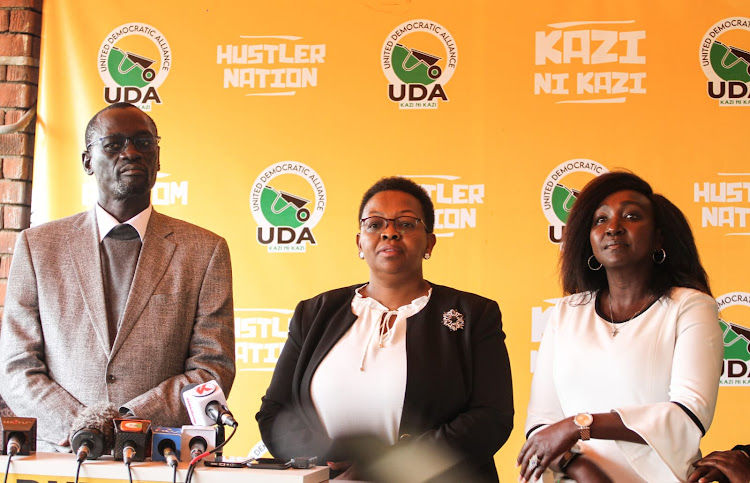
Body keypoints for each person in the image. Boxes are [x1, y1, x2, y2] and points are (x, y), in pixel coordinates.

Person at [0, 103, 235, 451]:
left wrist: (129, 422)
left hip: (159, 457)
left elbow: (211, 369)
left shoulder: (204, 250)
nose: (131, 152)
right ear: (87, 161)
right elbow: (15, 366)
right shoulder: (38, 246)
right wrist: (84, 428)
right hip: (62, 457)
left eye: (143, 142)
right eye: (113, 144)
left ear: (158, 157)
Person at [256, 176, 514, 481]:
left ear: (429, 242)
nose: (389, 232)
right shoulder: (314, 313)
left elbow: (491, 418)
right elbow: (275, 411)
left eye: (406, 224)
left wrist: (385, 471)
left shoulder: (476, 314)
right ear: (360, 243)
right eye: (375, 224)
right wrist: (325, 463)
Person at [518, 171, 723, 482]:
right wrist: (582, 469)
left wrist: (579, 425)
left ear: (658, 237)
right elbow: (541, 424)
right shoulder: (566, 313)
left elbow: (687, 416)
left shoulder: (690, 306)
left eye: (631, 216)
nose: (613, 227)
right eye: (600, 220)